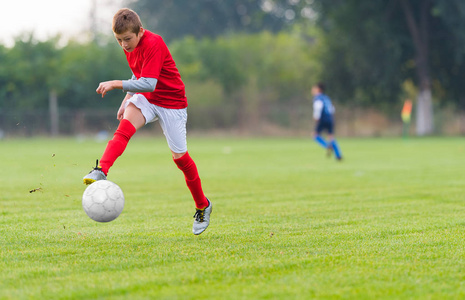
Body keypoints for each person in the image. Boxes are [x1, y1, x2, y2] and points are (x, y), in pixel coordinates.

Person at [83, 8, 212, 235]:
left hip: (172, 104)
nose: (124, 45)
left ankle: (203, 205)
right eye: (119, 40)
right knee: (123, 130)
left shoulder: (154, 43)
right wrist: (127, 98)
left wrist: (116, 83)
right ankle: (100, 170)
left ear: (140, 31)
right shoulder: (129, 44)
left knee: (180, 159)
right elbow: (138, 74)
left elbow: (150, 82)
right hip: (147, 99)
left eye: (127, 39)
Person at [311, 82, 342, 160]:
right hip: (330, 118)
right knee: (331, 136)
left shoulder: (317, 98)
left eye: (314, 88)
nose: (312, 90)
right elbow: (332, 109)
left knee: (315, 135)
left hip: (322, 118)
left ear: (318, 89)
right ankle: (338, 155)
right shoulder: (327, 98)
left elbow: (318, 107)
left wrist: (316, 117)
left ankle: (327, 145)